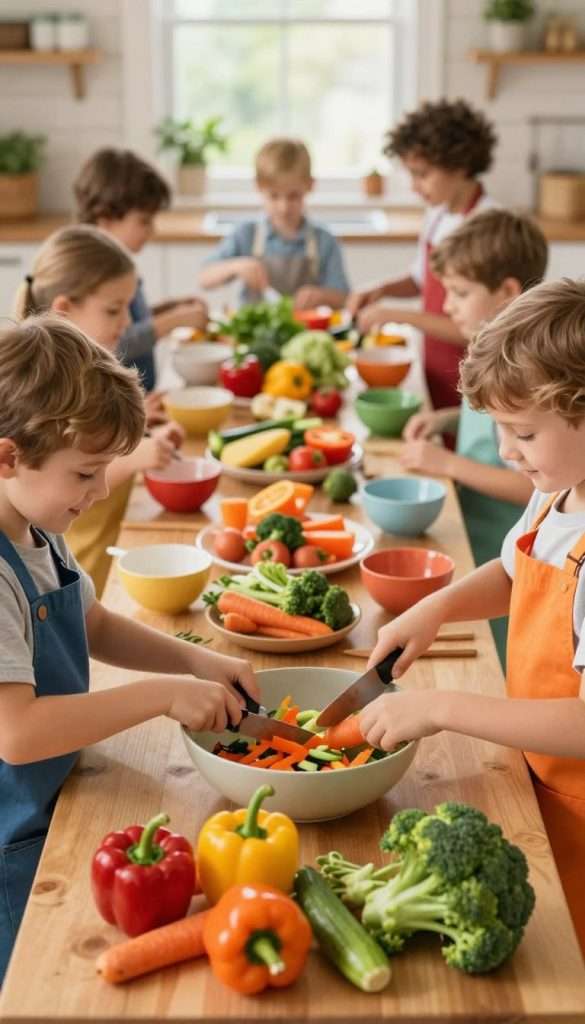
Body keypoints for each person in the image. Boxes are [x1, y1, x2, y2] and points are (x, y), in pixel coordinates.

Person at [0, 315, 257, 983]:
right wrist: (160, 696)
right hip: (10, 837)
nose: (104, 489)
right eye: (87, 472)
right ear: (6, 458)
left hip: (54, 798)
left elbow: (94, 623)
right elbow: (18, 734)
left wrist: (196, 661)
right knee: (36, 985)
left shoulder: (35, 524)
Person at [364, 278, 585, 957]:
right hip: (538, 779)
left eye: (522, 432)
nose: (507, 451)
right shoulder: (558, 494)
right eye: (497, 429)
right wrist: (435, 610)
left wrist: (440, 709)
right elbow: (513, 572)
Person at [400, 209, 547, 665]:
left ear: (506, 293)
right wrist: (447, 420)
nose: (447, 306)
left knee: (500, 661)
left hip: (496, 546)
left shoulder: (524, 367)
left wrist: (446, 464)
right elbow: (487, 421)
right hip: (479, 546)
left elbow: (532, 485)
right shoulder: (496, 353)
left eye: (460, 293)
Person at [14, 225, 184, 597]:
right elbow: (65, 484)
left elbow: (84, 461)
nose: (126, 322)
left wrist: (139, 431)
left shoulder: (80, 377)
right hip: (86, 571)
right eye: (113, 309)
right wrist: (137, 457)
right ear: (64, 309)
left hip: (90, 583)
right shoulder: (44, 392)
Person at [347, 99, 497, 409]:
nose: (415, 187)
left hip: (474, 374)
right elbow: (421, 279)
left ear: (460, 165)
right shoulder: (438, 215)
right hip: (436, 366)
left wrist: (396, 316)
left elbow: (483, 327)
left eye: (422, 174)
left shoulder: (487, 226)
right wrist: (380, 290)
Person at [74, 147, 209, 392]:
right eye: (144, 221)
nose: (152, 230)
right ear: (105, 217)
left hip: (140, 402)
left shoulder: (118, 265)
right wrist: (172, 321)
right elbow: (113, 341)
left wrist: (171, 307)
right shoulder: (89, 272)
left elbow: (132, 320)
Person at [199, 137, 349, 309]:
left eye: (293, 196)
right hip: (252, 333)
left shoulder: (324, 240)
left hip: (307, 331)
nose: (284, 207)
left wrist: (322, 296)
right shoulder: (246, 234)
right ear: (258, 187)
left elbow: (344, 297)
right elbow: (204, 278)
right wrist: (235, 266)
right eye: (274, 196)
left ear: (310, 185)